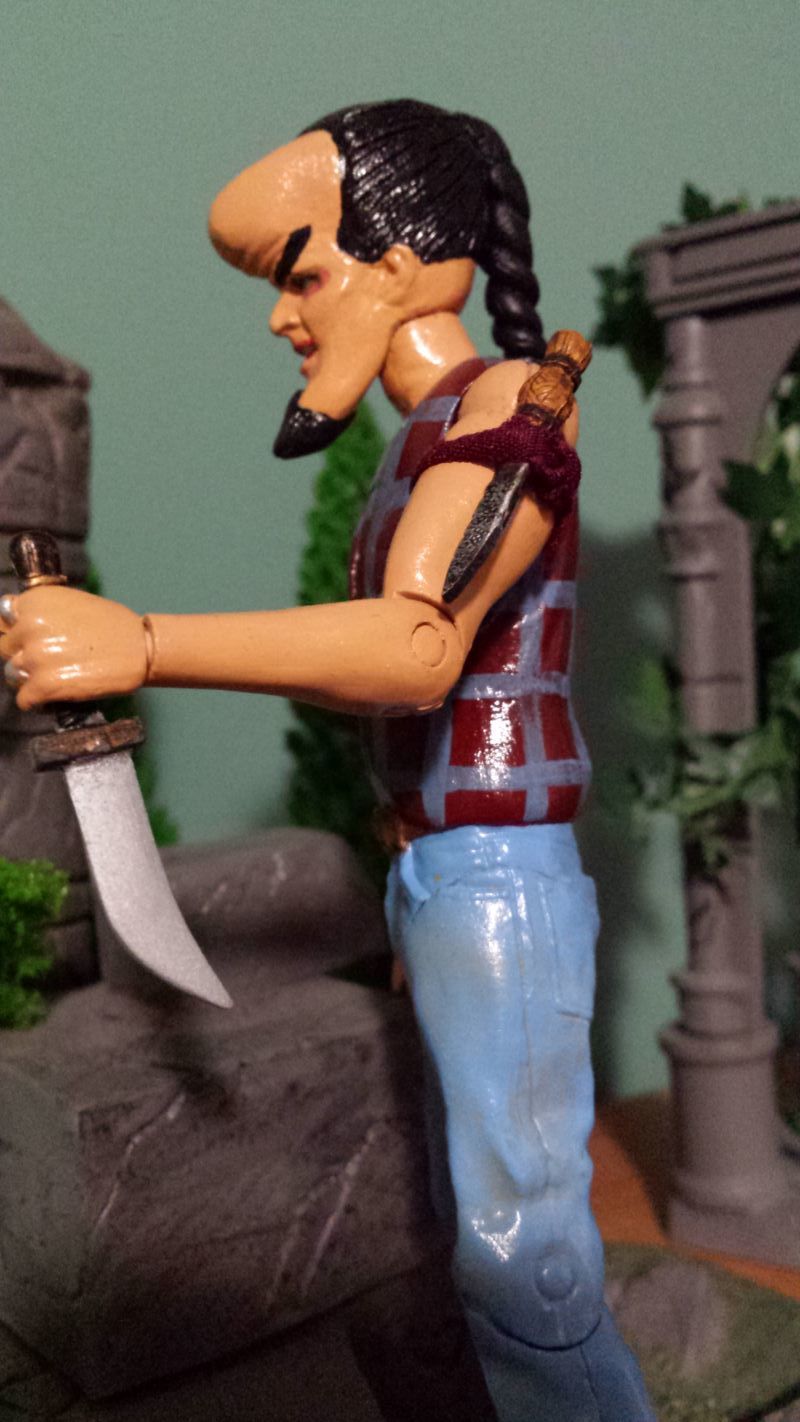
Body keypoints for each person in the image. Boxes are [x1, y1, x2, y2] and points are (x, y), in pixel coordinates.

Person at [0, 101, 655, 1420]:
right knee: (474, 1218)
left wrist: (140, 639)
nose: (282, 317)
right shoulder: (421, 440)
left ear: (405, 263)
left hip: (497, 880)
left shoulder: (510, 412)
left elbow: (417, 645)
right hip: (445, 879)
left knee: (523, 1255)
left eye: (301, 274)